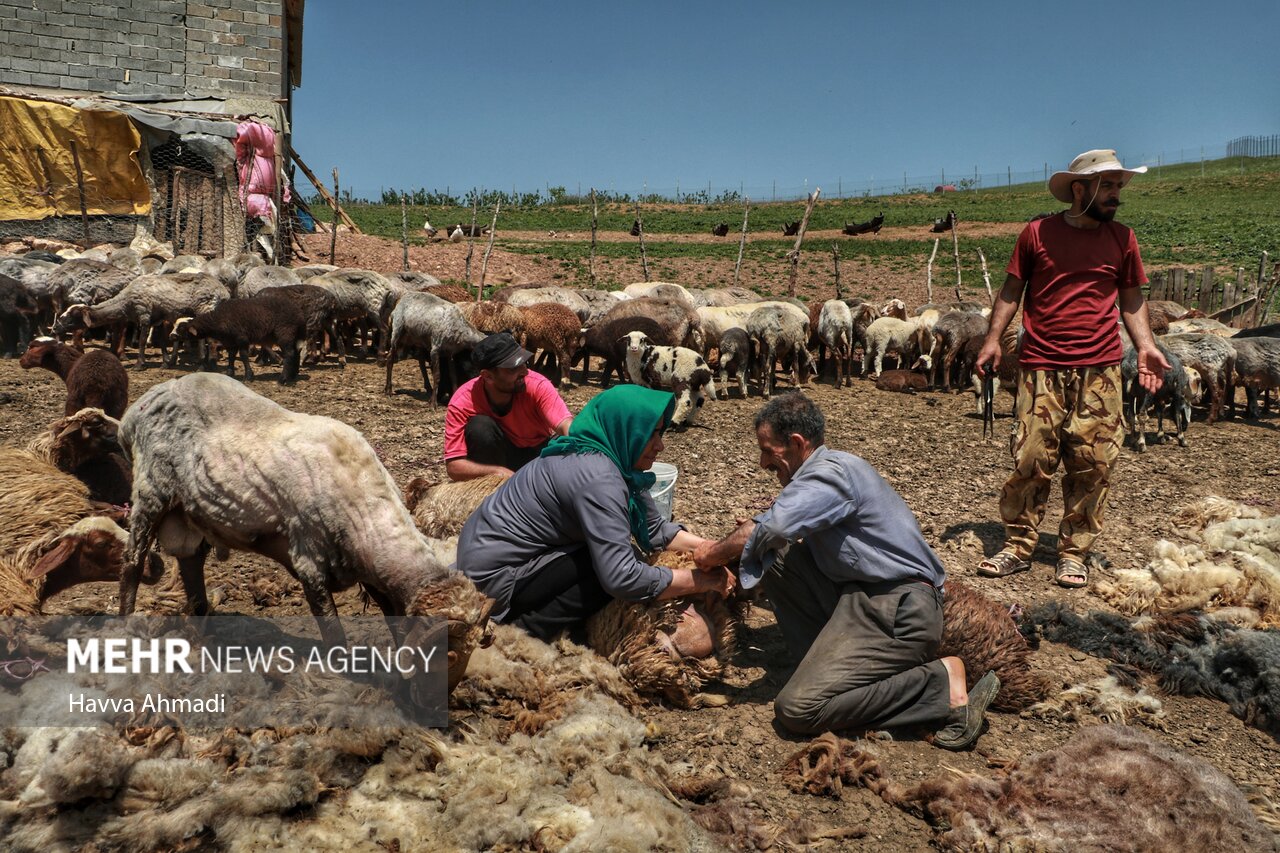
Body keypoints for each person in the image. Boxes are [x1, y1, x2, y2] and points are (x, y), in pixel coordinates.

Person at [693, 393, 999, 751]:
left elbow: (767, 529)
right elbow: (773, 539)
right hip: (862, 598)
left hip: (896, 609)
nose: (762, 463)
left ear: (796, 444)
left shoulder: (829, 475)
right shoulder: (827, 472)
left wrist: (709, 555)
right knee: (776, 557)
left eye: (767, 450)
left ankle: (938, 686)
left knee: (797, 709)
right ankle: (823, 667)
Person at [975, 149, 1170, 589]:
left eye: (1120, 185)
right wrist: (992, 340)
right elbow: (1012, 289)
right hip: (1040, 364)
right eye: (1108, 185)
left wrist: (1146, 347)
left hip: (1100, 368)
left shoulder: (1123, 238)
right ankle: (1018, 544)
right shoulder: (1037, 233)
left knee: (1094, 462)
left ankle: (1074, 552)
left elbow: (1132, 298)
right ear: (1079, 189)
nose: (1116, 194)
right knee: (1030, 457)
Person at [456, 384, 735, 652]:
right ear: (626, 431)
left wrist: (716, 550)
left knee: (613, 554)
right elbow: (622, 579)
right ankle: (525, 634)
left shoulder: (607, 457)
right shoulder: (600, 478)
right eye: (651, 435)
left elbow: (654, 529)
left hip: (495, 560)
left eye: (661, 434)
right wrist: (701, 580)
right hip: (491, 582)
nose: (660, 446)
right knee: (602, 570)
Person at [443, 332, 573, 482]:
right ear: (487, 376)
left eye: (524, 363)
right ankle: (492, 495)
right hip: (498, 460)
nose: (524, 372)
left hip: (537, 455)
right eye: (513, 368)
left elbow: (565, 425)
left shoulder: (537, 384)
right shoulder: (463, 401)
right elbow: (454, 466)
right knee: (480, 426)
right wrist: (497, 472)